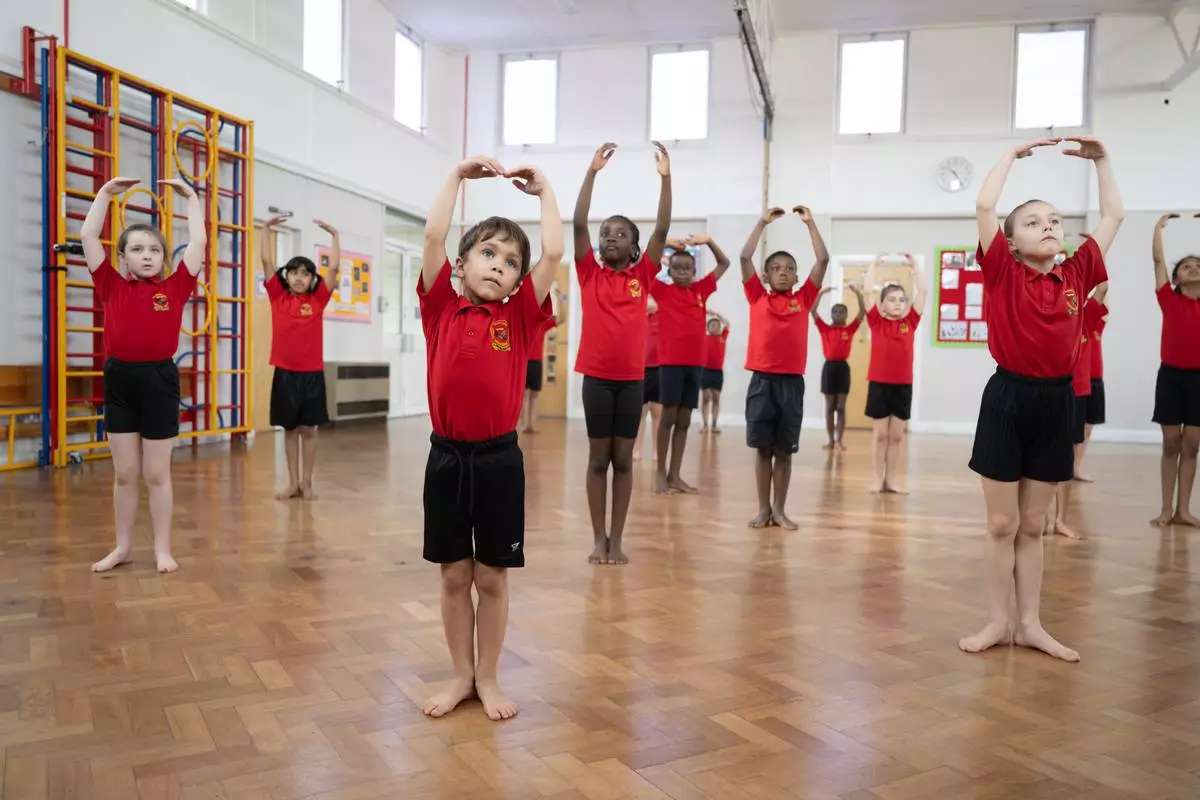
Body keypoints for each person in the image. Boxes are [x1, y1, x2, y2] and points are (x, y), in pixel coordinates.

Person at [960, 136, 1123, 663]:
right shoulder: (1003, 271)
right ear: (1008, 242)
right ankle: (997, 620)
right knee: (1001, 524)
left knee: (1034, 525)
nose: (1048, 226)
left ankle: (1030, 623)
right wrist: (1010, 155)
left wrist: (1102, 161)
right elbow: (985, 205)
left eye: (1054, 219)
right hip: (1007, 398)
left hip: (1057, 403)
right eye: (1033, 221)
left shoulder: (1077, 272)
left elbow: (1114, 214)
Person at [418, 156, 562, 720]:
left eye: (510, 261)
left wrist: (545, 190)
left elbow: (552, 252)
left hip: (500, 463)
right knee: (455, 575)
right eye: (488, 252)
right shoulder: (438, 308)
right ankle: (460, 676)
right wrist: (454, 178)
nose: (499, 265)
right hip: (446, 460)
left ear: (520, 280)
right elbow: (433, 232)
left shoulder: (522, 317)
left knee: (492, 577)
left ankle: (490, 677)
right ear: (459, 264)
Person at [82, 176, 206, 574]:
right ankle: (122, 547)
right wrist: (103, 194)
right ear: (122, 257)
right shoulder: (110, 284)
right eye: (137, 249)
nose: (147, 255)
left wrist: (192, 199)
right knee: (124, 473)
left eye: (155, 249)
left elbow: (200, 245)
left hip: (158, 381)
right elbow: (87, 235)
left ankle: (162, 549)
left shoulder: (174, 288)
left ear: (164, 258)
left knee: (156, 473)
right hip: (119, 380)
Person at [573, 142, 672, 564]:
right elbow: (578, 222)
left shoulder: (643, 274)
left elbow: (662, 231)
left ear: (634, 248)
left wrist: (666, 178)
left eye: (620, 234)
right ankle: (599, 539)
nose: (610, 237)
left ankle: (618, 538)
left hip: (631, 381)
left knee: (624, 462)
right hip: (596, 379)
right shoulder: (588, 272)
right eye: (605, 234)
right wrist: (592, 172)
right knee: (599, 461)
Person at [740, 205, 829, 529]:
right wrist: (762, 222)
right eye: (775, 268)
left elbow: (822, 260)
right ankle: (763, 509)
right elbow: (744, 257)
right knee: (763, 450)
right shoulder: (756, 296)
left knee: (784, 451)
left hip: (791, 385)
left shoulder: (803, 298)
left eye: (788, 268)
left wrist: (811, 223)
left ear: (795, 275)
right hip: (762, 382)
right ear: (765, 276)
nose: (781, 272)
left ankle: (780, 509)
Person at [261, 216, 341, 501]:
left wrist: (334, 235)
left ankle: (307, 482)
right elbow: (267, 263)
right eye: (293, 272)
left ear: (312, 279)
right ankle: (292, 483)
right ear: (287, 276)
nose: (298, 277)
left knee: (310, 430)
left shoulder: (318, 300)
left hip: (311, 375)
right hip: (285, 374)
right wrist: (267, 229)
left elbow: (333, 268)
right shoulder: (277, 297)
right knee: (290, 430)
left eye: (305, 273)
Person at [652, 235, 731, 494]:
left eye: (688, 268)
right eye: (677, 268)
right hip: (671, 364)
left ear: (695, 271)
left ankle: (675, 474)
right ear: (669, 271)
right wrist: (664, 244)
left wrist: (709, 241)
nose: (683, 272)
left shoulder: (701, 290)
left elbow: (724, 263)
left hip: (694, 365)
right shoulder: (662, 291)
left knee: (685, 419)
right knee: (668, 417)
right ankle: (660, 474)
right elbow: (643, 267)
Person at [1151, 212, 1200, 527]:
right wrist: (1157, 229)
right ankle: (1166, 508)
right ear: (1177, 277)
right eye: (1187, 266)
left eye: (1198, 266)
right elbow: (1158, 262)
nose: (1194, 268)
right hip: (1170, 378)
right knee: (1171, 443)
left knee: (1192, 445)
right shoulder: (1168, 299)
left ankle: (1184, 509)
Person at [863, 254, 926, 494]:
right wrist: (873, 266)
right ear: (882, 305)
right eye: (892, 299)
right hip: (879, 384)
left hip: (902, 385)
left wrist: (915, 267)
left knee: (896, 436)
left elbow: (923, 293)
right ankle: (878, 479)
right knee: (880, 435)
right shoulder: (876, 322)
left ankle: (891, 480)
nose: (898, 303)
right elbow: (868, 292)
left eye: (902, 299)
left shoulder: (910, 321)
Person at [1048, 325, 1092, 540]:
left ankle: (1060, 520)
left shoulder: (1088, 316)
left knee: (1065, 457)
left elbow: (1101, 290)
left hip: (1075, 393)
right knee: (1040, 457)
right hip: (1046, 388)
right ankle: (1042, 517)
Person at [812, 284, 866, 451]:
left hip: (843, 368)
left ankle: (839, 440)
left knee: (841, 408)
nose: (837, 314)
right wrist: (820, 294)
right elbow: (813, 311)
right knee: (830, 407)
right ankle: (830, 440)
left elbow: (862, 312)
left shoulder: (849, 329)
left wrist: (858, 293)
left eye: (841, 311)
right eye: (834, 311)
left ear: (845, 315)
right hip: (829, 369)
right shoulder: (825, 329)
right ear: (831, 315)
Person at [1075, 279, 1109, 482]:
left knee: (1087, 427)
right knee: (1072, 430)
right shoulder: (1071, 325)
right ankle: (1066, 467)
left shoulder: (1093, 323)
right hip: (1075, 384)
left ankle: (1076, 466)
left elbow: (1103, 294)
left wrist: (1100, 264)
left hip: (1093, 382)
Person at [520, 288, 561, 434]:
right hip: (524, 363)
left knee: (534, 396)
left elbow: (560, 319)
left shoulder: (543, 323)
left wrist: (559, 299)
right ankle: (525, 424)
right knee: (524, 396)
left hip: (537, 362)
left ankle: (532, 424)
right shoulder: (524, 321)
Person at [633, 297, 661, 462]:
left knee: (657, 412)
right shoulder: (638, 315)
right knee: (640, 412)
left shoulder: (662, 314)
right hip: (639, 368)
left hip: (658, 367)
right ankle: (637, 448)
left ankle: (656, 450)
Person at [700, 312, 729, 434]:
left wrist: (717, 315)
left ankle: (714, 425)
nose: (714, 327)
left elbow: (727, 323)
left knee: (716, 398)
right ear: (708, 327)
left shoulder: (723, 337)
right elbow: (698, 323)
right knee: (706, 397)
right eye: (712, 325)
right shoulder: (704, 337)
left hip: (717, 372)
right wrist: (704, 312)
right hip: (705, 371)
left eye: (717, 325)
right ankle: (705, 425)